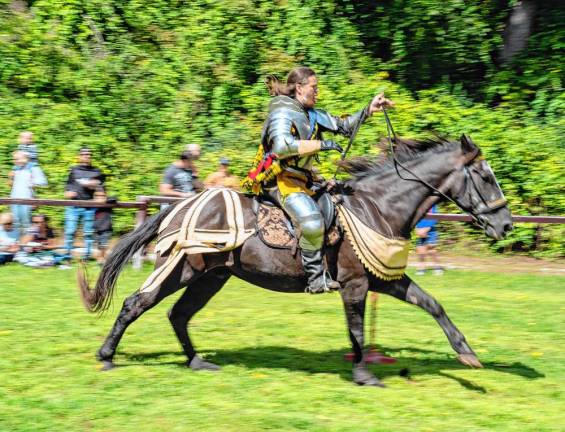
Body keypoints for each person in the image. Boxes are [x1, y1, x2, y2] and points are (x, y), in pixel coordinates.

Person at [243, 66, 394, 294]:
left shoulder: (312, 114)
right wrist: (321, 144)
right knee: (312, 221)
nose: (317, 92)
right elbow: (282, 147)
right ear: (300, 88)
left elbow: (343, 126)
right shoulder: (282, 113)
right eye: (314, 87)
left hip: (304, 179)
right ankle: (314, 278)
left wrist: (368, 110)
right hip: (279, 180)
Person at [63, 147, 105, 260]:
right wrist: (68, 193)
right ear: (79, 156)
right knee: (70, 232)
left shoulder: (97, 171)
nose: (87, 156)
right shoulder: (73, 170)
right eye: (84, 154)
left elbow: (101, 188)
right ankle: (66, 257)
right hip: (73, 206)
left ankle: (86, 259)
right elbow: (67, 188)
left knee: (88, 234)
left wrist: (94, 184)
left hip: (89, 207)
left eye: (89, 154)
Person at [8, 151, 48, 240]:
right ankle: (15, 247)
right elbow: (10, 184)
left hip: (27, 200)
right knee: (15, 224)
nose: (15, 161)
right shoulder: (15, 168)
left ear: (25, 158)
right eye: (14, 159)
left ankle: (26, 248)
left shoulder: (33, 168)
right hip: (14, 200)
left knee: (27, 225)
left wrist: (33, 183)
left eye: (17, 159)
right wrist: (10, 177)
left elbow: (43, 182)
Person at [415, 205, 443, 276]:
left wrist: (427, 229)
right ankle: (421, 268)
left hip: (431, 230)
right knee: (420, 249)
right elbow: (415, 217)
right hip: (420, 229)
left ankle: (437, 267)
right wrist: (417, 229)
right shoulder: (418, 203)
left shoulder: (433, 205)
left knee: (431, 249)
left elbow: (435, 217)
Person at [93, 187, 113, 265]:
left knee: (104, 245)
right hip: (96, 228)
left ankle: (103, 259)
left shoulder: (109, 202)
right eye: (97, 196)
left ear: (106, 195)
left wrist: (105, 200)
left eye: (102, 196)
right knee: (98, 245)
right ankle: (100, 259)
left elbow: (114, 199)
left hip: (106, 228)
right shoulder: (93, 204)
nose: (99, 198)